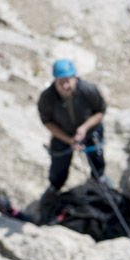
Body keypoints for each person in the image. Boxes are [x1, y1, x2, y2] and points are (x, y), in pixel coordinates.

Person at [38, 59, 107, 196]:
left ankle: (98, 179)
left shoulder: (88, 90)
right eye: (61, 81)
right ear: (55, 80)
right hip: (63, 134)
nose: (65, 85)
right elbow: (47, 122)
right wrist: (69, 140)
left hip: (89, 131)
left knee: (96, 158)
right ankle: (55, 187)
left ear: (75, 78)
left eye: (68, 80)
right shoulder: (47, 98)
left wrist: (84, 128)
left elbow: (100, 112)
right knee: (58, 166)